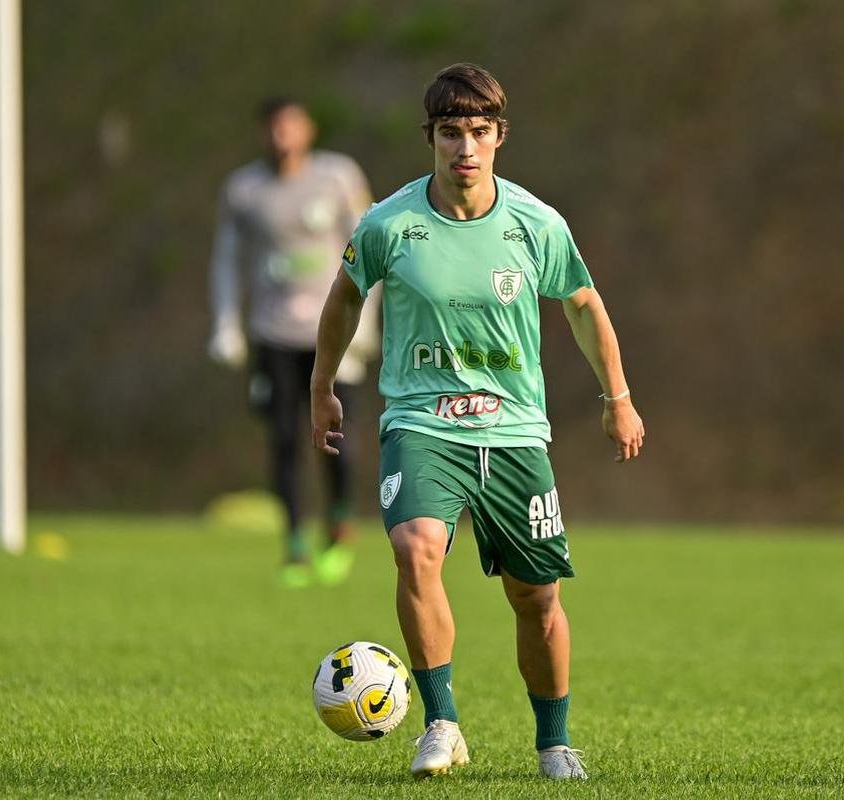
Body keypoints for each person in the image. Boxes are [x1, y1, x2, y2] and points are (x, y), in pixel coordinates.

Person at [309, 64, 644, 780]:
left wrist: (617, 396)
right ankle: (441, 724)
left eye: (479, 132)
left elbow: (582, 305)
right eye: (451, 132)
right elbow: (343, 297)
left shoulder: (535, 223)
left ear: (499, 137)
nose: (465, 146)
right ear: (430, 137)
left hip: (516, 431)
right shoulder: (389, 225)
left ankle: (553, 743)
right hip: (421, 421)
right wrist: (321, 385)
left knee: (536, 598)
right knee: (417, 548)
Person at [209, 96, 378, 588]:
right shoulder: (244, 190)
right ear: (264, 132)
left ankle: (340, 522)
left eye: (291, 126)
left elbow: (370, 249)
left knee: (337, 441)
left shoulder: (338, 177)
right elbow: (226, 259)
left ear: (309, 129)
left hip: (332, 334)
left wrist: (366, 325)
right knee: (283, 438)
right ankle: (295, 543)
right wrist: (226, 323)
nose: (282, 135)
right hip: (272, 333)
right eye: (274, 127)